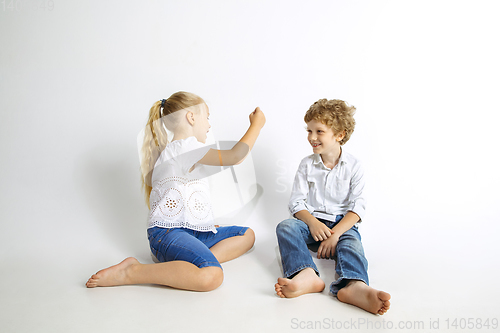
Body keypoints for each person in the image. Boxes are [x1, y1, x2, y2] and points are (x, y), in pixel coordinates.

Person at [86, 91, 265, 291]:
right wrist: (256, 125)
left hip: (192, 232)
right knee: (212, 276)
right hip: (167, 234)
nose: (209, 125)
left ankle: (187, 264)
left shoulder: (181, 151)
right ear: (191, 117)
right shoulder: (184, 148)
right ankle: (132, 271)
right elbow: (235, 156)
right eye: (207, 118)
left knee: (246, 235)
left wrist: (200, 221)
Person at [274, 99, 390, 315]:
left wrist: (335, 234)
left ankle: (354, 285)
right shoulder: (306, 164)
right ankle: (306, 273)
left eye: (319, 131)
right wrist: (313, 223)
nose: (311, 137)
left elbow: (358, 207)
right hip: (313, 224)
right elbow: (296, 202)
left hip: (342, 226)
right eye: (309, 131)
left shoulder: (354, 166)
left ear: (339, 135)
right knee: (286, 227)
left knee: (352, 246)